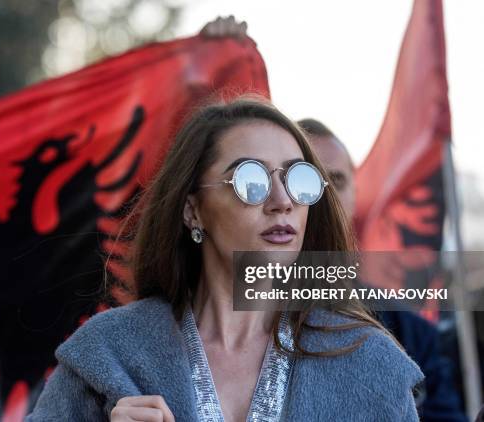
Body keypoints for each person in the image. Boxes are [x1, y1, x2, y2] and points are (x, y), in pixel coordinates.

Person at [26, 96, 423, 421]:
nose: (282, 202)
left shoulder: (371, 364)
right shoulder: (106, 354)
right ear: (193, 210)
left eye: (297, 178)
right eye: (252, 180)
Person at [298, 117, 468, 422]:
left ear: (355, 195)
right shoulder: (224, 320)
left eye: (335, 181)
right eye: (304, 180)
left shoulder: (411, 334)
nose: (323, 197)